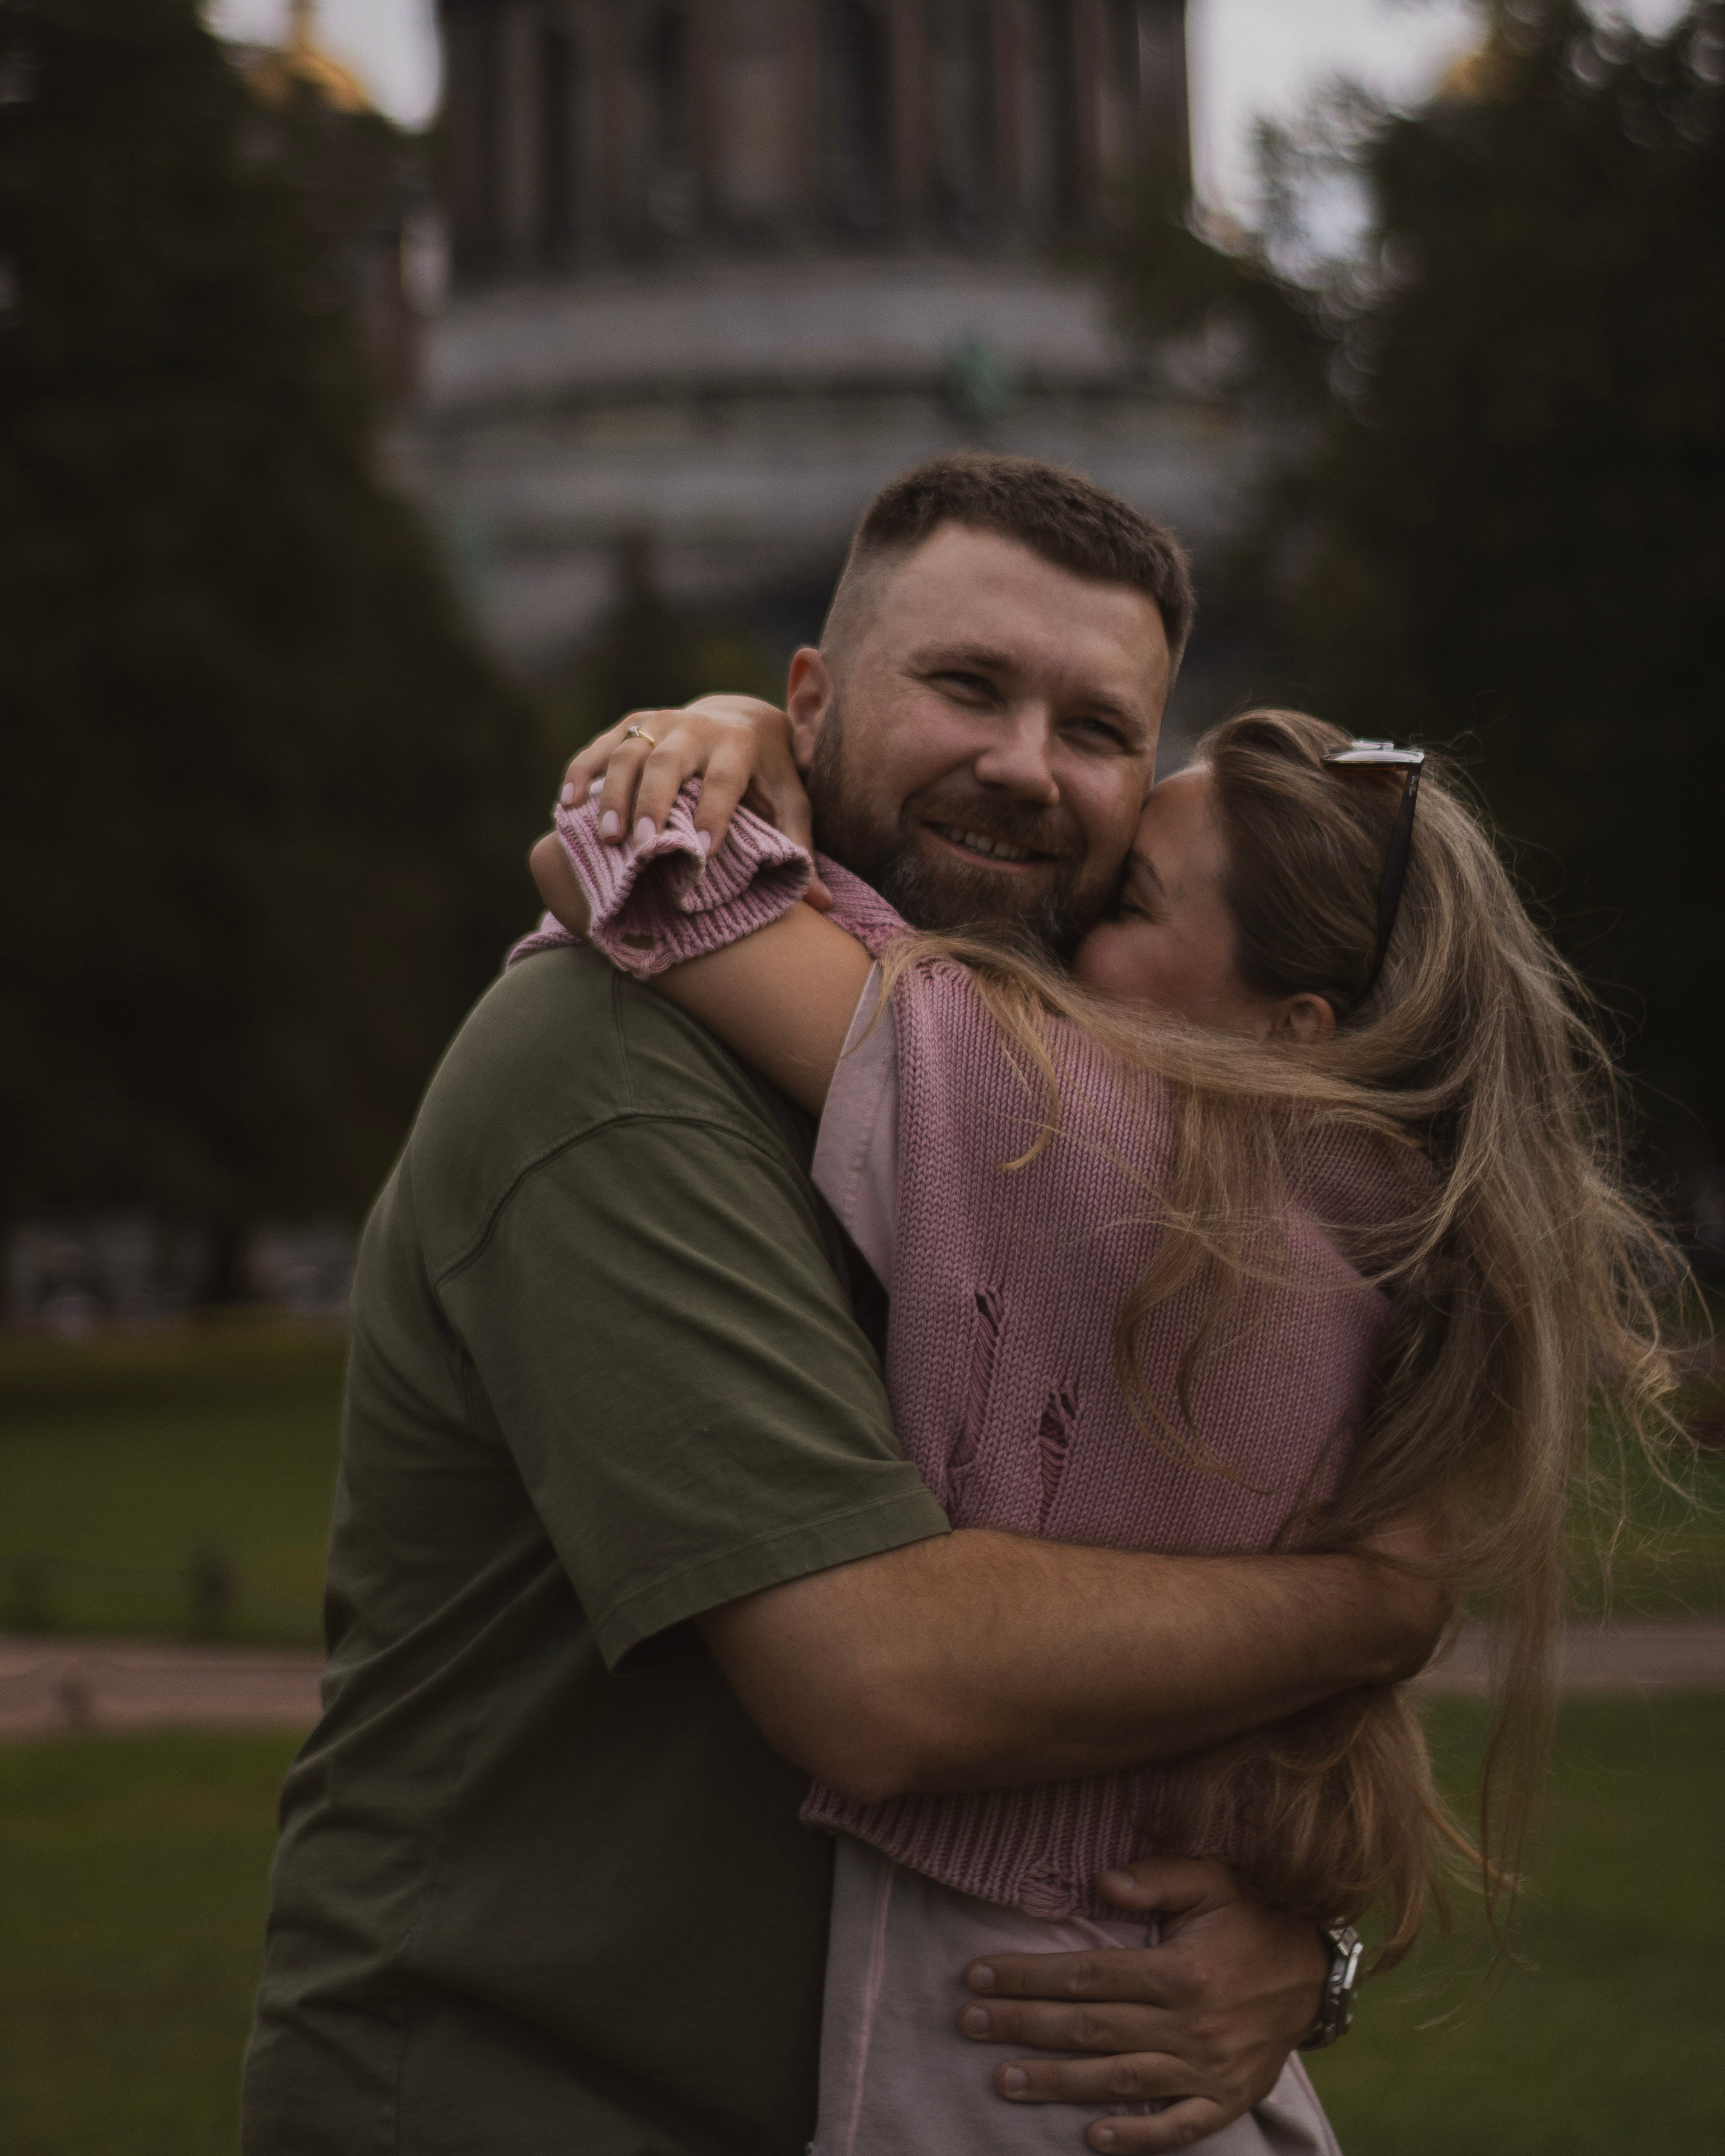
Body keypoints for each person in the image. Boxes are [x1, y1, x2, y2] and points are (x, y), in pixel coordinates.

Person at [241, 456, 1456, 2156]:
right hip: (533, 2089)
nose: (1025, 767)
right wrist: (1382, 1605)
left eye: (1098, 730)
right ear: (811, 703)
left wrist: (1295, 1952)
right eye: (963, 686)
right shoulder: (610, 1064)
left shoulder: (1103, 1157)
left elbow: (1241, 1738)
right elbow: (880, 1680)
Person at [531, 701, 1684, 2155]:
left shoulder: (1095, 1145)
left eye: (1130, 899)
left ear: (1292, 1025)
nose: (1072, 912)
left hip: (1013, 2068)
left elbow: (616, 864)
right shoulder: (1383, 1235)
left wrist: (738, 735)